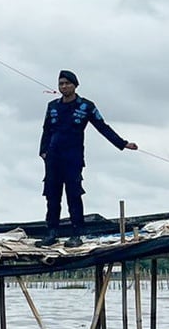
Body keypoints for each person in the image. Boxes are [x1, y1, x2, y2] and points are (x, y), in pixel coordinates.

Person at [38, 70, 137, 247]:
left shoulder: (86, 106)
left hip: (73, 157)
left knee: (74, 196)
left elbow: (102, 127)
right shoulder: (52, 106)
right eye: (61, 83)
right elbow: (46, 130)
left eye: (67, 83)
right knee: (52, 196)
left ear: (75, 85)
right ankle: (51, 232)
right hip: (53, 157)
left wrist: (122, 143)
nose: (64, 86)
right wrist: (43, 152)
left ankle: (77, 234)